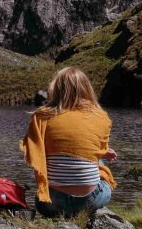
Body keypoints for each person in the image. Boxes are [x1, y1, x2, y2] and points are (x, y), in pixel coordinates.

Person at [21, 66, 118, 217]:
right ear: (87, 89)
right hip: (90, 201)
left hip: (52, 204)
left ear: (56, 89)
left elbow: (36, 154)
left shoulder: (41, 117)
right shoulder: (101, 117)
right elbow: (91, 148)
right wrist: (102, 154)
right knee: (99, 163)